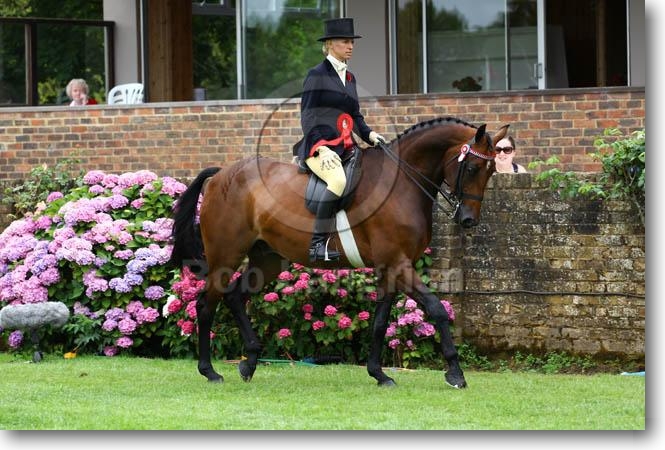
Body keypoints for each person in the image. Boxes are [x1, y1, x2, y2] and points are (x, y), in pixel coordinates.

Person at [296, 17, 385, 262]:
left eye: (352, 42)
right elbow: (308, 116)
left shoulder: (350, 78)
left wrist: (369, 134)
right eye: (345, 42)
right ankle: (317, 245)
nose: (351, 46)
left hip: (345, 146)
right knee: (337, 180)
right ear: (330, 44)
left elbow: (354, 115)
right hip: (318, 147)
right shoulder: (316, 74)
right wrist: (321, 148)